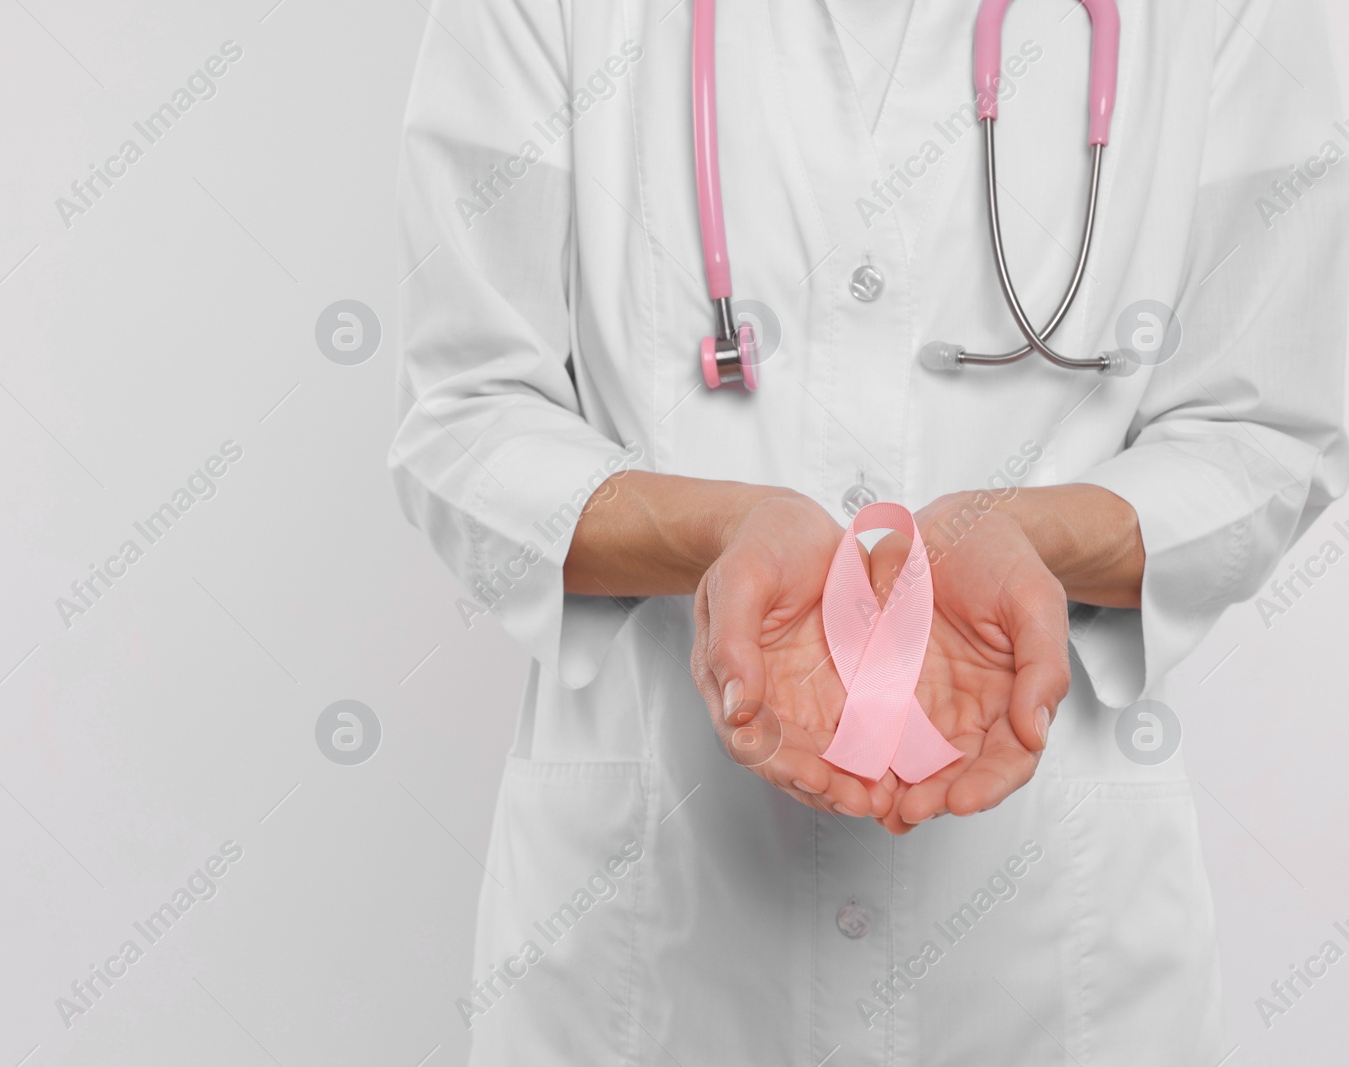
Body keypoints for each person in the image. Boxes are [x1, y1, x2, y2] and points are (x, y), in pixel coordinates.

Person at [391, 0, 1348, 1061]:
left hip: (1048, 955)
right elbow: (464, 412)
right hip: (653, 948)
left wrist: (1025, 537)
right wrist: (721, 536)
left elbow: (1265, 427)